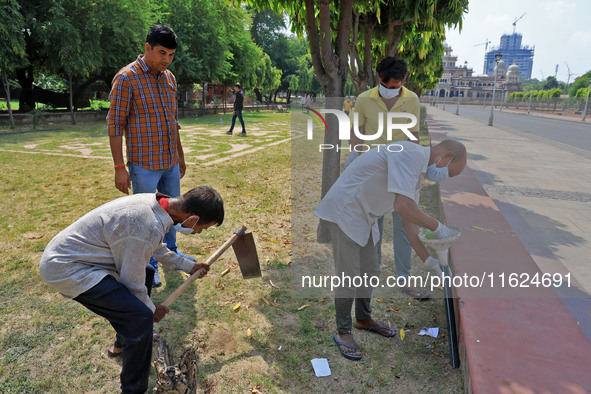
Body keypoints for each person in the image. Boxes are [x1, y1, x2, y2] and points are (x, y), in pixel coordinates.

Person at [39, 186, 224, 393]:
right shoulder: (145, 225)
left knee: (146, 274)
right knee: (140, 319)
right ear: (193, 219)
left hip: (83, 257)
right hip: (67, 268)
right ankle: (133, 389)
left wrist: (189, 266)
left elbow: (155, 247)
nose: (198, 232)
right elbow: (131, 281)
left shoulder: (158, 206)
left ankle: (121, 342)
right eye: (203, 228)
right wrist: (151, 309)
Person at [315, 140, 467, 361]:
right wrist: (437, 227)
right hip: (346, 209)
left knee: (369, 271)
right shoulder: (411, 154)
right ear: (446, 156)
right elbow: (402, 206)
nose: (444, 176)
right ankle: (343, 332)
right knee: (349, 275)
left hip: (365, 215)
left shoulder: (416, 172)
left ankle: (363, 318)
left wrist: (429, 262)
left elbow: (408, 222)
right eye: (449, 171)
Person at [345, 56, 434, 298]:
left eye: (395, 85)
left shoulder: (412, 100)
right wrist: (355, 156)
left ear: (404, 81)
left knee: (405, 226)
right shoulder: (363, 100)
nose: (389, 89)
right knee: (374, 224)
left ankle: (405, 280)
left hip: (403, 169)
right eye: (385, 83)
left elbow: (414, 134)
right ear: (378, 78)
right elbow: (356, 131)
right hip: (374, 168)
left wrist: (419, 167)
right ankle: (370, 276)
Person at [107, 24, 187, 288]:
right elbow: (115, 125)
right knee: (144, 218)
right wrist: (120, 167)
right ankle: (148, 265)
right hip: (143, 165)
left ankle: (171, 256)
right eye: (162, 53)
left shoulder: (169, 79)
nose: (166, 60)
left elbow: (172, 122)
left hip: (169, 163)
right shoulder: (126, 78)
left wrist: (181, 157)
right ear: (147, 48)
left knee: (173, 213)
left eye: (171, 55)